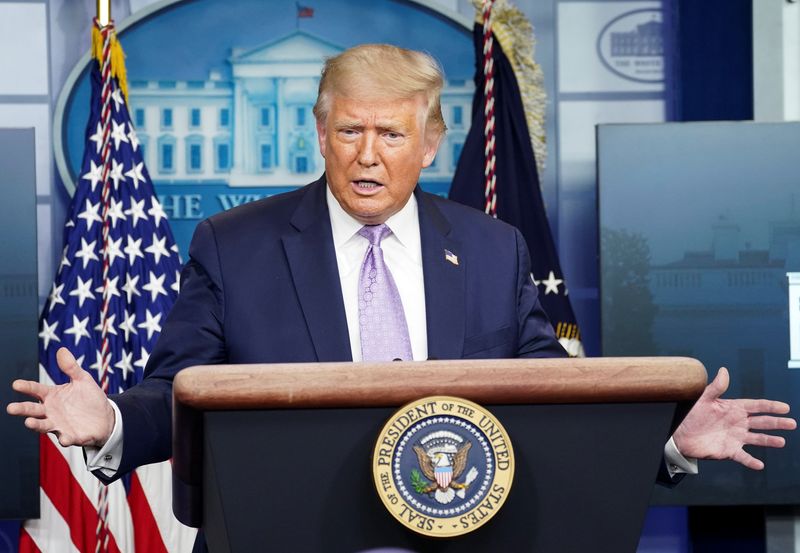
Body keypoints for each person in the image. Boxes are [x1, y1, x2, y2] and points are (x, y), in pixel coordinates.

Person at [7, 44, 795, 485]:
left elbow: (555, 399)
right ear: (320, 134)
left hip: (459, 533)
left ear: (431, 144)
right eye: (349, 131)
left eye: (390, 135)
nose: (368, 156)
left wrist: (667, 441)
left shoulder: (493, 248)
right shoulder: (232, 245)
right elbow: (176, 391)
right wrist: (111, 419)